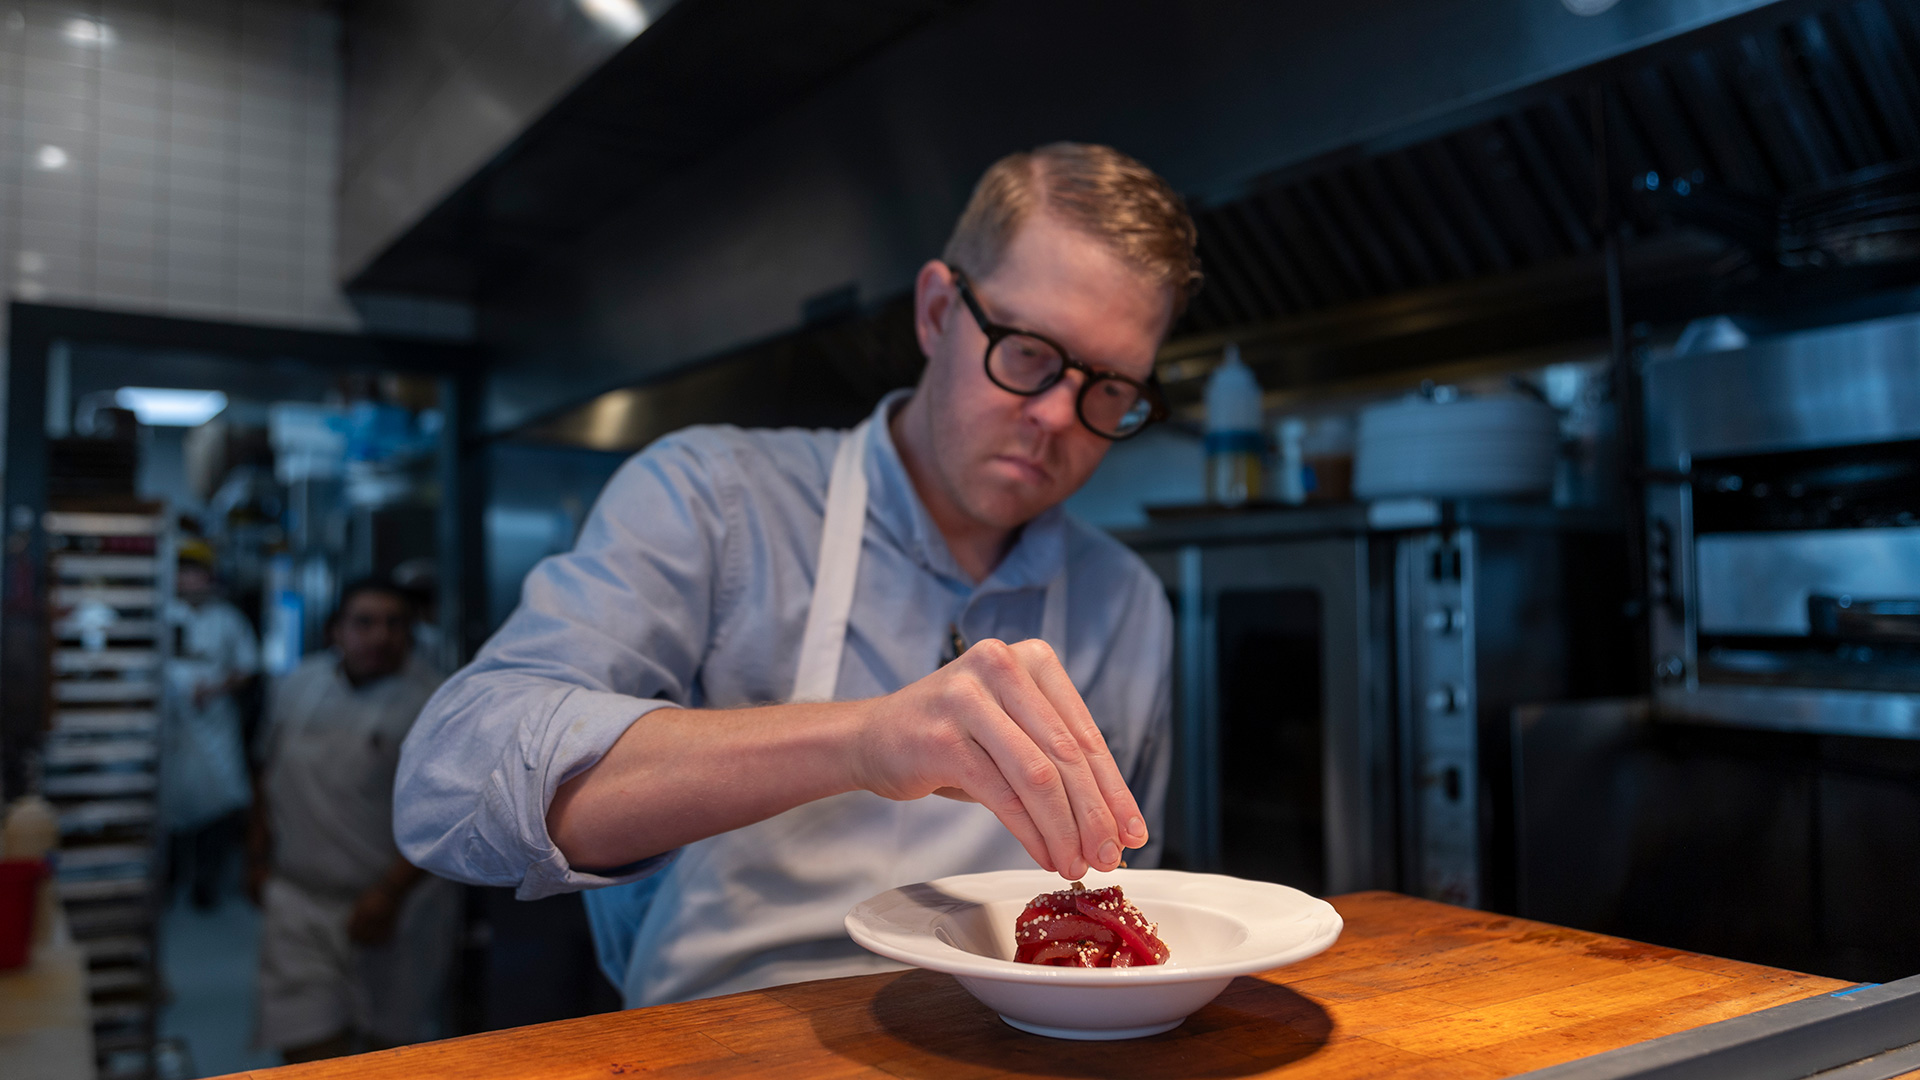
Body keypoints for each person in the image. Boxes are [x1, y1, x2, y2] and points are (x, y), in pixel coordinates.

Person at [396, 143, 1199, 1008]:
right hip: (725, 1043)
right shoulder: (715, 498)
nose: (1053, 416)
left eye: (1109, 389)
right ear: (937, 312)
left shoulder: (1127, 605)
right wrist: (861, 741)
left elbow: (1118, 901)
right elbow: (448, 788)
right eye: (1029, 352)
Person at [249, 579, 458, 1061]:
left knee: (386, 1056)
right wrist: (256, 855)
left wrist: (389, 894)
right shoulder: (298, 685)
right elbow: (268, 773)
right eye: (364, 622)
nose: (379, 636)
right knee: (308, 1051)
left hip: (397, 909)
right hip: (300, 899)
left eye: (394, 623)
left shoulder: (434, 703)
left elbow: (448, 818)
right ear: (335, 631)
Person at [160, 541, 260, 909]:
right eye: (182, 570)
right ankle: (169, 879)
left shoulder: (228, 619)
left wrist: (216, 688)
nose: (189, 579)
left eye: (196, 571)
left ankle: (206, 881)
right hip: (171, 729)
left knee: (217, 803)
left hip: (214, 726)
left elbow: (248, 668)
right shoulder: (161, 613)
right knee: (169, 803)